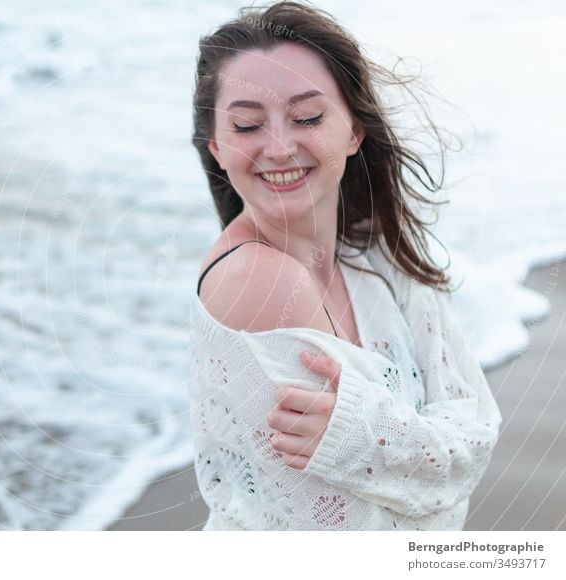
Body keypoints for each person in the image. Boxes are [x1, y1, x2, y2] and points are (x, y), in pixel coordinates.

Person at [188, 1, 502, 530]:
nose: (280, 148)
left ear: (354, 131)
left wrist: (363, 434)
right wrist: (419, 454)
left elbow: (479, 428)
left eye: (307, 117)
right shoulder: (258, 282)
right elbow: (353, 533)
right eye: (247, 125)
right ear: (216, 147)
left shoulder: (372, 251)